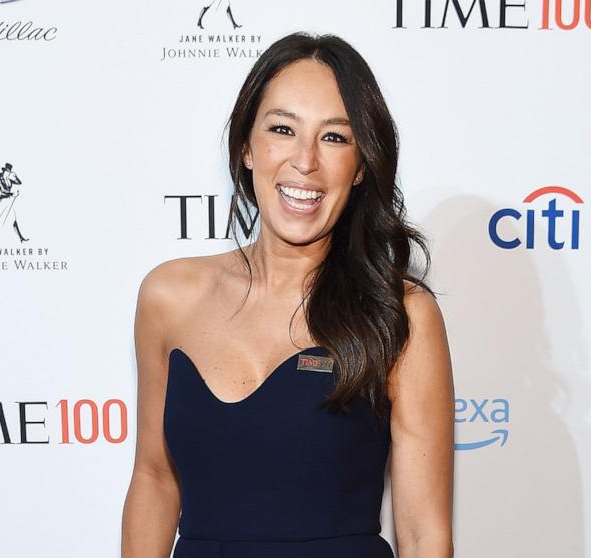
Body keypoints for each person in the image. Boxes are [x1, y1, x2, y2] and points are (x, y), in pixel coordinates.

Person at [121, 32, 454, 558]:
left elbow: (423, 533)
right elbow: (155, 477)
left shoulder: (400, 314)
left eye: (335, 138)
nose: (305, 161)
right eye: (282, 129)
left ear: (362, 164)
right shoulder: (168, 296)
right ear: (247, 147)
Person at [0, 162, 28, 243]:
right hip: (2, 200)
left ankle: (21, 238)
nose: (8, 173)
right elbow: (3, 190)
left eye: (9, 171)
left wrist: (15, 176)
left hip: (9, 200)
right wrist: (12, 194)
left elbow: (19, 183)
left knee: (13, 220)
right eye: (7, 171)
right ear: (4, 171)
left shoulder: (10, 178)